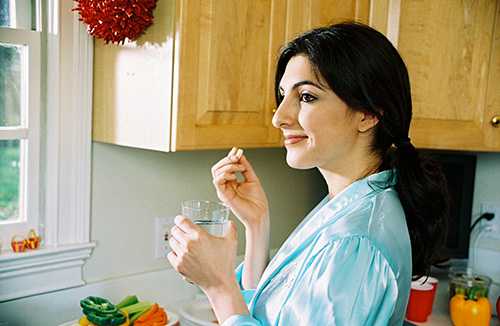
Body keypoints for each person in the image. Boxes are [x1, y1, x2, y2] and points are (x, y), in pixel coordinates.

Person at [167, 22, 449, 325]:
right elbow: (269, 313)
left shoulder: (354, 242)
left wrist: (218, 286)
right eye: (283, 95)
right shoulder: (347, 204)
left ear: (368, 114)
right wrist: (257, 225)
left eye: (306, 97)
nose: (279, 117)